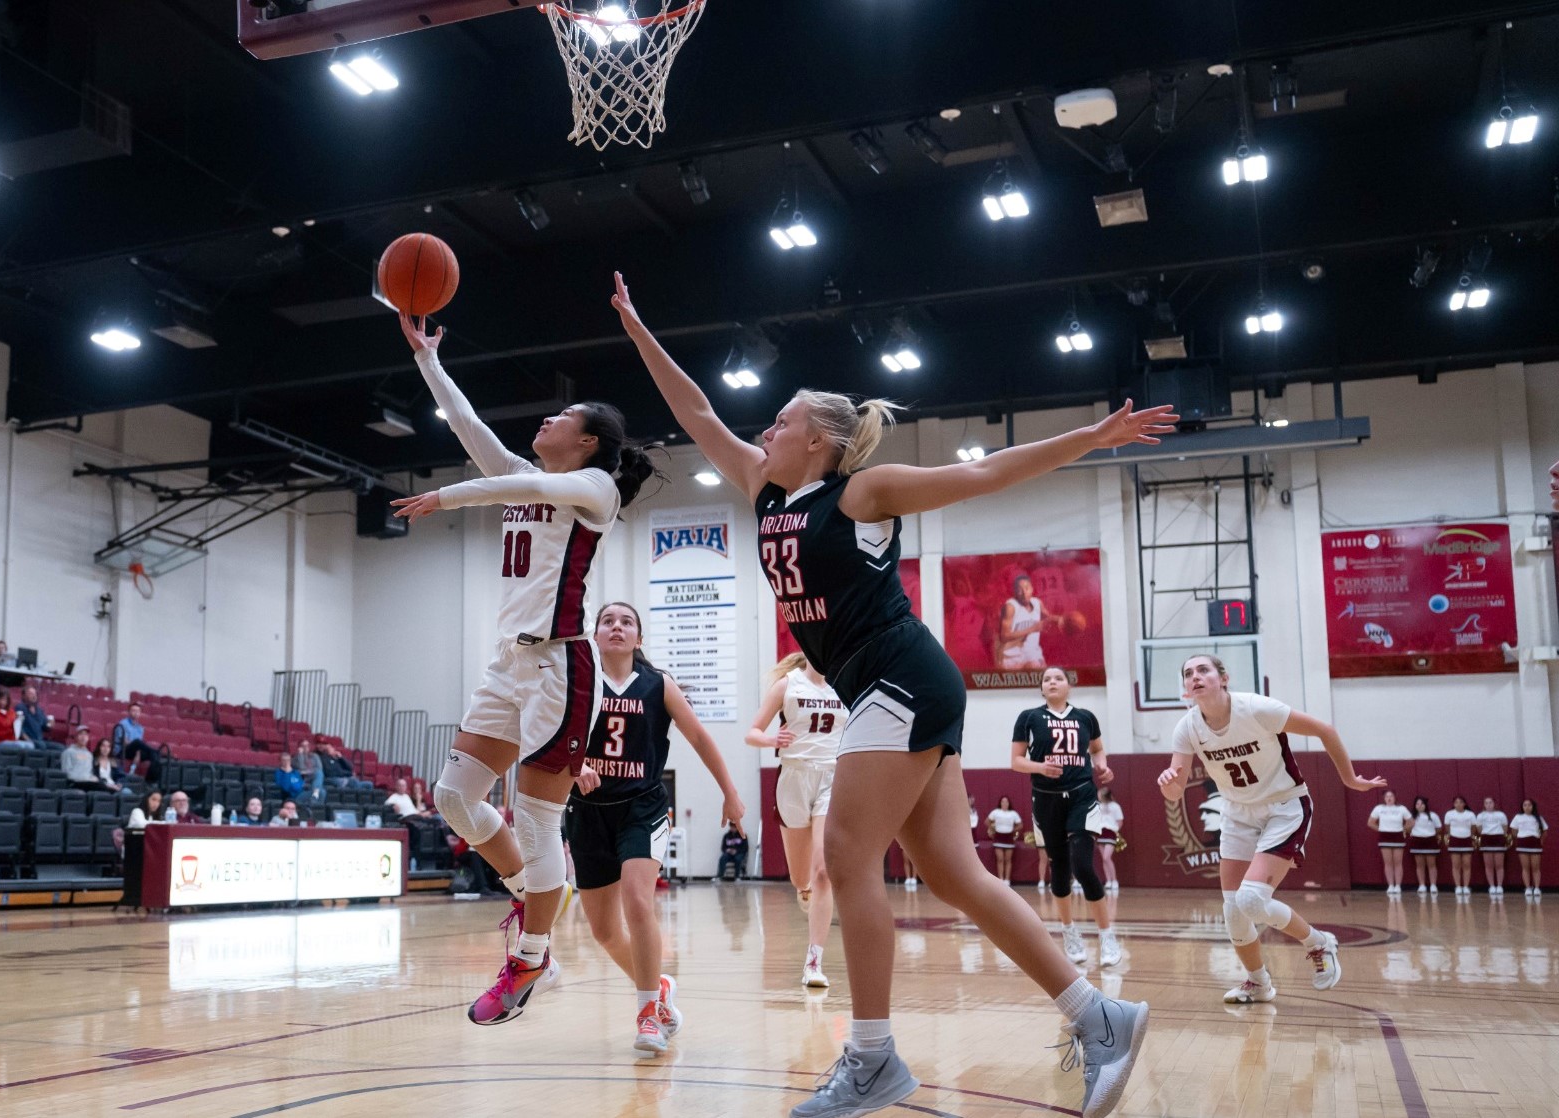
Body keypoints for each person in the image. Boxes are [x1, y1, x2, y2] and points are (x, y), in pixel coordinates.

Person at [612, 270, 1163, 1118]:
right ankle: (1102, 1017)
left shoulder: (860, 493)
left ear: (822, 441)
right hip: (889, 686)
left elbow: (984, 476)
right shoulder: (766, 488)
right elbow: (696, 415)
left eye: (783, 418)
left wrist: (1090, 435)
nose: (767, 427)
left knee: (845, 853)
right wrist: (639, 327)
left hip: (899, 674)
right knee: (956, 876)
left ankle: (871, 1057)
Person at [389, 311, 662, 1029]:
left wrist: (445, 497)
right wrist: (427, 359)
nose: (548, 418)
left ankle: (532, 954)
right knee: (453, 798)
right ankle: (528, 893)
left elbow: (525, 488)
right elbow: (464, 422)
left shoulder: (596, 489)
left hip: (562, 669)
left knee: (538, 824)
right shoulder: (524, 477)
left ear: (591, 441)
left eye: (563, 415)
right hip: (507, 662)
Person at [568, 601, 745, 1057]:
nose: (617, 627)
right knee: (605, 931)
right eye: (608, 621)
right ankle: (659, 986)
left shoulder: (657, 684)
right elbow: (550, 738)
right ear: (596, 633)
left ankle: (648, 1013)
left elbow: (702, 738)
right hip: (588, 812)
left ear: (639, 638)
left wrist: (730, 793)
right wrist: (575, 764)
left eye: (627, 622)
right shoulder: (578, 682)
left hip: (642, 809)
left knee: (637, 902)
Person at [1157, 654, 1384, 1005]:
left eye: (1203, 670)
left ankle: (1317, 942)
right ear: (1186, 689)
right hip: (1236, 813)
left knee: (1251, 899)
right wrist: (1168, 784)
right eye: (1188, 673)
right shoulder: (1186, 728)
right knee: (1233, 911)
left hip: (1285, 806)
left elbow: (1326, 729)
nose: (1195, 676)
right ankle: (1258, 982)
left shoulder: (1256, 708)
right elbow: (1175, 789)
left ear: (1224, 677)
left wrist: (1350, 779)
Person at [745, 651, 845, 988]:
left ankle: (814, 962)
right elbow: (752, 733)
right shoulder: (788, 685)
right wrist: (772, 739)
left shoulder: (846, 685)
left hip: (833, 777)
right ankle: (804, 889)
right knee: (801, 876)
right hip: (794, 778)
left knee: (824, 871)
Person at [1012, 667, 1121, 968]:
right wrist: (1039, 767)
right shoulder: (1029, 718)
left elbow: (1097, 750)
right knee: (1059, 869)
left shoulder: (1085, 717)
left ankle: (1107, 935)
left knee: (1084, 866)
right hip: (1046, 800)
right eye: (1047, 679)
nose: (1052, 682)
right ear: (1042, 688)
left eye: (1058, 678)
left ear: (1069, 685)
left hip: (1081, 795)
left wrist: (1103, 766)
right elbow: (1016, 761)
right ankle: (1069, 931)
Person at [994, 574, 1050, 671]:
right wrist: (1033, 629)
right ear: (1015, 592)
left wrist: (1062, 620)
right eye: (1020, 590)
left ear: (1032, 589)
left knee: (1043, 680)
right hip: (1012, 658)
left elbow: (1048, 618)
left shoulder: (1037, 603)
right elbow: (1004, 636)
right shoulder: (1010, 607)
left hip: (1032, 655)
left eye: (1027, 588)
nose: (1024, 592)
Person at [1367, 790, 1414, 896]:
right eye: (1387, 796)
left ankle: (1398, 886)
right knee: (1388, 862)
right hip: (1385, 837)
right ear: (1384, 798)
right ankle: (1390, 885)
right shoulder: (1379, 808)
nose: (1389, 798)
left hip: (1397, 837)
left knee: (1398, 862)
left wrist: (1402, 828)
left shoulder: (1401, 808)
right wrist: (1381, 829)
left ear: (1395, 797)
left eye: (1391, 796)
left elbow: (1411, 822)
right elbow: (1370, 822)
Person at [1087, 788, 1124, 896]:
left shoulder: (1115, 806)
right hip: (1100, 832)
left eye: (1099, 794)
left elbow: (1120, 821)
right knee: (1104, 859)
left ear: (1104, 795)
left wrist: (1115, 830)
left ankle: (1114, 880)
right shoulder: (1097, 806)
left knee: (1106, 857)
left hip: (1110, 832)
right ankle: (1108, 881)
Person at [114, 703, 160, 781]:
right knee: (138, 742)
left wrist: (138, 752)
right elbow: (125, 742)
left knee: (153, 755)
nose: (136, 713)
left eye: (138, 711)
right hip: (122, 750)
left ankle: (151, 780)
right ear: (129, 712)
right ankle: (156, 751)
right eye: (133, 710)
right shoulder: (122, 723)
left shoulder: (140, 728)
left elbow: (139, 746)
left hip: (134, 751)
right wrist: (137, 749)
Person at [1510, 799, 1546, 899]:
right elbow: (1513, 831)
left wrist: (1540, 841)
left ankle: (1537, 888)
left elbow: (1545, 831)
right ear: (1522, 807)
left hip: (1535, 843)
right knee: (1525, 867)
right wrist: (1520, 838)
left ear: (1533, 806)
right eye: (1525, 805)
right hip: (1522, 843)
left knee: (1535, 867)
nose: (1527, 807)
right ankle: (1528, 888)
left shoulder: (1539, 818)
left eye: (1529, 805)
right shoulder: (1518, 817)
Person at [1408, 796, 1442, 897]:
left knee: (1431, 864)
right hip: (1417, 841)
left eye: (1422, 804)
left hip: (1430, 840)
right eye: (1417, 804)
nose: (1420, 806)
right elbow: (1407, 828)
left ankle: (1433, 885)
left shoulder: (1433, 815)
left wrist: (1429, 834)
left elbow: (1439, 828)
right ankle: (1422, 885)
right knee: (1420, 865)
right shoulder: (1411, 817)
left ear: (1425, 805)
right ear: (1415, 805)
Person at [1444, 795, 1478, 896]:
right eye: (1456, 802)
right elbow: (1447, 827)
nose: (1458, 804)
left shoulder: (1470, 814)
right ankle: (1458, 886)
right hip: (1454, 840)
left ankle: (1466, 886)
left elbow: (1473, 827)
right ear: (1453, 804)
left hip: (1467, 840)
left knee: (1467, 864)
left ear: (1464, 804)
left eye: (1461, 802)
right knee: (1456, 865)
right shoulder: (1449, 814)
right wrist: (1454, 834)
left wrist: (1467, 835)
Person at [1477, 796, 1510, 898]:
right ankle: (1491, 886)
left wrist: (1499, 835)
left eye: (1490, 802)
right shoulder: (1480, 816)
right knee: (1488, 865)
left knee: (1499, 864)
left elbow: (1505, 828)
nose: (1488, 805)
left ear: (1494, 804)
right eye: (1486, 803)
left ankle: (1499, 886)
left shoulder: (1501, 815)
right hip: (1486, 839)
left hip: (1498, 839)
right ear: (1484, 805)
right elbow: (1479, 829)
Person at [986, 796, 1023, 881]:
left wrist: (1012, 830)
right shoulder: (996, 812)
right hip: (998, 838)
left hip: (1009, 838)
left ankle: (1007, 879)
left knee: (1008, 860)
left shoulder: (1013, 813)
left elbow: (1020, 825)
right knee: (1000, 859)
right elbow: (987, 821)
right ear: (1000, 803)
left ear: (1009, 803)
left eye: (1006, 802)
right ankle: (1001, 879)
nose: (1005, 803)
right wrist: (993, 829)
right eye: (1003, 801)